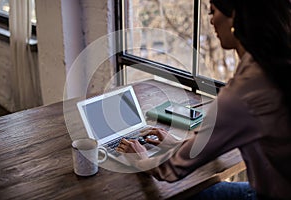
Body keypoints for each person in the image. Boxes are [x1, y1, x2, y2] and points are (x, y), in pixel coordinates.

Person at [116, 0, 291, 199]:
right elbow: (219, 138)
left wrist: (139, 158)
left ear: (234, 16)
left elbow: (171, 170)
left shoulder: (243, 93)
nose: (210, 21)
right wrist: (176, 144)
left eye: (213, 12)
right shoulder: (270, 66)